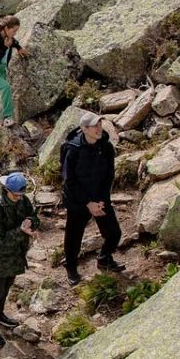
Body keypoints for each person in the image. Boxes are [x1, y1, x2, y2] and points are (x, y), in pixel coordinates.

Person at [61, 112, 124, 285]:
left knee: (114, 233)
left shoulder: (106, 147)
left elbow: (108, 176)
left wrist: (101, 200)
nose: (98, 129)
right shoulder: (73, 149)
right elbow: (69, 180)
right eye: (94, 126)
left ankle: (104, 258)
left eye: (99, 125)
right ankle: (71, 267)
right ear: (84, 129)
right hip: (77, 200)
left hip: (99, 198)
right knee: (74, 236)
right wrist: (87, 203)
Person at [0, 172, 38, 348]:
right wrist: (21, 231)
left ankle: (0, 315)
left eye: (21, 194)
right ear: (7, 190)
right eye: (16, 194)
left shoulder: (23, 201)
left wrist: (31, 221)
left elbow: (33, 216)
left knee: (6, 288)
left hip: (15, 256)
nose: (19, 198)